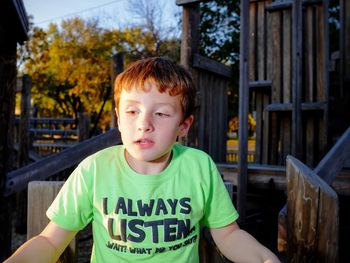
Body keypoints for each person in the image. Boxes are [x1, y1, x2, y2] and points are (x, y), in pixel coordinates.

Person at [5, 57, 280, 263]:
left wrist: (265, 259)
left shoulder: (199, 167)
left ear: (184, 125)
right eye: (132, 111)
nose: (144, 124)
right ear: (119, 119)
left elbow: (229, 236)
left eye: (160, 114)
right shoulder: (96, 170)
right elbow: (51, 241)